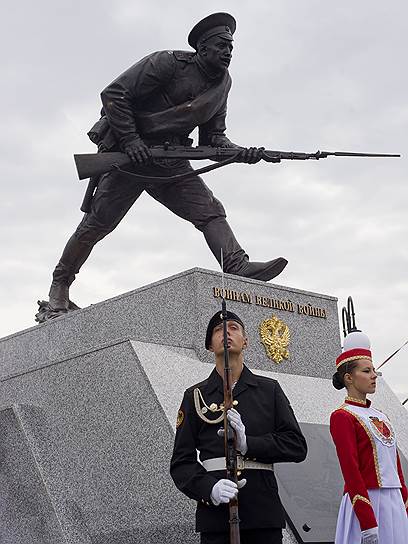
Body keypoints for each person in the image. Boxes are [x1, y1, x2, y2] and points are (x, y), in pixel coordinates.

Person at [39, 12, 288, 322]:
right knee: (97, 225)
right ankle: (60, 282)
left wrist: (244, 153)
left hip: (170, 161)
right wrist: (131, 141)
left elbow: (213, 139)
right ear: (203, 48)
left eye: (231, 48)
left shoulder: (222, 84)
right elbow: (114, 94)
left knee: (210, 209)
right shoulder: (167, 63)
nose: (228, 52)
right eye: (222, 46)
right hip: (132, 159)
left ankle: (235, 264)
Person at [170, 310, 307, 544]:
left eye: (233, 327)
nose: (226, 332)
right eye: (217, 330)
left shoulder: (269, 390)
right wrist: (209, 489)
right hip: (216, 518)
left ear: (246, 341)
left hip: (263, 515)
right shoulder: (195, 396)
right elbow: (181, 463)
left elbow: (296, 446)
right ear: (210, 346)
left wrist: (248, 443)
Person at [330, 327, 408, 544]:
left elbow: (396, 467)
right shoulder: (342, 416)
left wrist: (405, 505)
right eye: (366, 371)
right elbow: (351, 470)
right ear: (348, 378)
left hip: (394, 503)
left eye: (373, 370)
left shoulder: (381, 415)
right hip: (367, 502)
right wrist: (367, 520)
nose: (374, 375)